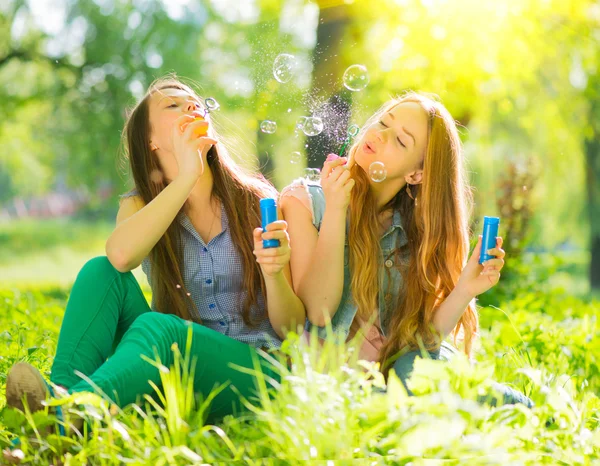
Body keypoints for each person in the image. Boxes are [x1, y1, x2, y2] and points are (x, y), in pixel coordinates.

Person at [6, 76, 305, 425]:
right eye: (173, 105)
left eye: (194, 102)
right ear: (150, 140)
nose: (191, 106)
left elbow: (293, 329)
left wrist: (273, 274)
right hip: (174, 371)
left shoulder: (258, 201)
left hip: (256, 375)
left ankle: (69, 412)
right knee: (99, 272)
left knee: (161, 327)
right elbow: (120, 257)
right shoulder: (139, 206)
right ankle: (59, 413)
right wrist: (186, 178)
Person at [280, 91, 532, 406]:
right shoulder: (307, 203)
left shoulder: (412, 232)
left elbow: (419, 344)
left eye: (401, 141)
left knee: (414, 369)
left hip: (394, 380)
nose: (380, 134)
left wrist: (465, 289)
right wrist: (336, 210)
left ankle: (526, 410)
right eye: (384, 122)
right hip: (336, 387)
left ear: (416, 174)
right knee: (410, 393)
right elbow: (318, 312)